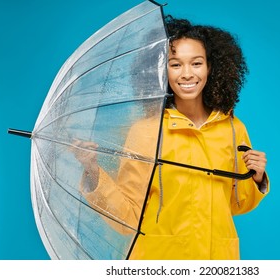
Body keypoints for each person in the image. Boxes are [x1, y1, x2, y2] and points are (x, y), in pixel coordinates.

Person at [74, 16, 269, 260]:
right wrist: (92, 169)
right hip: (160, 259)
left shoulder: (232, 128)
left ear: (211, 67)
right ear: (160, 71)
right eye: (175, 64)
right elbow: (127, 218)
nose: (187, 74)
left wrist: (256, 176)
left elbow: (238, 204)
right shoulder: (146, 131)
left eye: (196, 63)